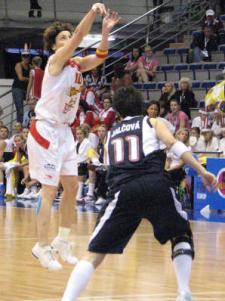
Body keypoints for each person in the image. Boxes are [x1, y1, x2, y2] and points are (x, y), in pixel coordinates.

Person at [61, 86, 217, 301]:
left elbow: (110, 166)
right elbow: (173, 144)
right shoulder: (152, 122)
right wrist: (202, 171)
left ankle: (66, 299)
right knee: (180, 234)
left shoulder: (111, 133)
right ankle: (183, 291)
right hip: (155, 184)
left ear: (117, 110)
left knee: (95, 252)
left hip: (122, 191)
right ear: (142, 105)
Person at [27, 4, 120, 270]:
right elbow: (80, 36)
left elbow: (101, 56)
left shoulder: (76, 64)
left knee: (72, 186)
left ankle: (62, 241)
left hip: (65, 131)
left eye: (69, 36)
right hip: (45, 129)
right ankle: (41, 245)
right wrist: (92, 12)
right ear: (55, 46)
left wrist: (104, 32)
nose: (69, 40)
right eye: (63, 38)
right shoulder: (54, 62)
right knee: (49, 189)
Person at [12, 50, 30, 123]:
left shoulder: (30, 66)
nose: (26, 58)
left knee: (34, 105)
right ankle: (19, 127)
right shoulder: (18, 65)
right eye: (24, 56)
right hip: (17, 88)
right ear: (22, 57)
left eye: (27, 56)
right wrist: (30, 79)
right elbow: (21, 78)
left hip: (26, 89)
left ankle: (29, 125)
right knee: (20, 109)